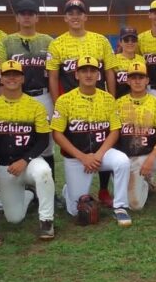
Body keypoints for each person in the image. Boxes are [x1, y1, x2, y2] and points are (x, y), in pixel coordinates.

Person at [46, 0, 118, 207]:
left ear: (85, 16)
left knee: (101, 139)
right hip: (70, 103)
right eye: (71, 13)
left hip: (98, 99)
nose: (75, 16)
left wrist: (111, 98)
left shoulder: (100, 40)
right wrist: (57, 103)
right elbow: (52, 76)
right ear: (65, 17)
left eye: (79, 13)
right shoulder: (57, 42)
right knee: (74, 144)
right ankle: (73, 184)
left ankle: (104, 189)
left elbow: (109, 72)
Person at [51, 55, 132, 226]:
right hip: (76, 157)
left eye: (92, 71)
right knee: (75, 210)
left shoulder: (108, 98)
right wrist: (83, 157)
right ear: (76, 75)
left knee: (122, 161)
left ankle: (120, 207)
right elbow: (57, 134)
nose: (88, 74)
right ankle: (69, 191)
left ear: (99, 75)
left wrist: (99, 154)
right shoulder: (64, 100)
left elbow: (115, 130)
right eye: (84, 71)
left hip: (101, 153)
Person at [0, 60, 55, 240]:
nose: (11, 78)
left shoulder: (35, 105)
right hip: (5, 165)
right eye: (7, 75)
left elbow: (44, 139)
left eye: (16, 74)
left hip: (29, 162)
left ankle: (46, 221)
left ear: (22, 78)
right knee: (14, 219)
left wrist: (25, 160)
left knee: (44, 172)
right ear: (1, 79)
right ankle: (28, 195)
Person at [0, 0, 56, 180]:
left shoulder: (48, 41)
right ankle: (20, 183)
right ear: (17, 18)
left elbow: (53, 73)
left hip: (42, 96)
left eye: (31, 14)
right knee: (16, 139)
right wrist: (1, 99)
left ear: (37, 18)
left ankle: (47, 188)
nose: (27, 17)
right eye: (23, 14)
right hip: (15, 98)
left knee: (47, 144)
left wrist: (55, 100)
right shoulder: (7, 41)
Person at [116, 61, 156, 225]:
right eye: (133, 77)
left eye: (141, 77)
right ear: (128, 80)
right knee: (135, 206)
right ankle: (145, 183)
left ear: (147, 80)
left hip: (153, 155)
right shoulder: (118, 104)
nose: (137, 81)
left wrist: (151, 158)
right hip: (131, 158)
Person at [113, 26, 146, 99]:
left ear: (137, 42)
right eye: (126, 40)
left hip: (140, 100)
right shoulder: (113, 59)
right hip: (119, 100)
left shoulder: (142, 60)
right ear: (120, 42)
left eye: (133, 40)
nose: (130, 43)